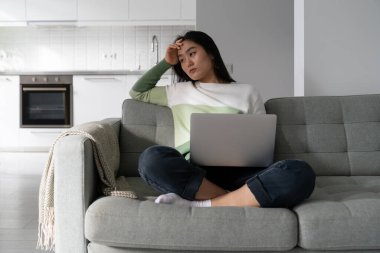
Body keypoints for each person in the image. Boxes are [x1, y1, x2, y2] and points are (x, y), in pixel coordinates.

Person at [129, 30, 315, 208]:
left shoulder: (247, 92)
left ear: (211, 54)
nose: (187, 63)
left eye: (192, 53)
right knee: (150, 159)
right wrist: (166, 63)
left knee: (300, 172)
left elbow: (262, 144)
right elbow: (137, 92)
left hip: (243, 173)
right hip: (196, 174)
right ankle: (241, 199)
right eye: (182, 60)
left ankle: (203, 203)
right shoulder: (178, 92)